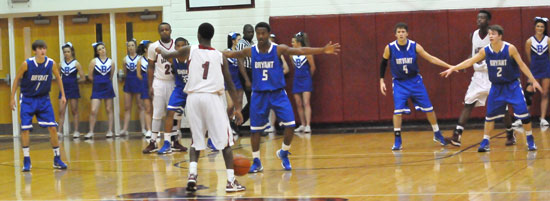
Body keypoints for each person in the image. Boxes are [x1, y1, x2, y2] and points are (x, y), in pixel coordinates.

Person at [223, 22, 340, 172]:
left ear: (268, 33)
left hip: (277, 93)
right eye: (258, 33)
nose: (260, 36)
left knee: (290, 125)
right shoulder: (251, 51)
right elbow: (231, 54)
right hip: (259, 94)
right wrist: (213, 52)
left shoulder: (278, 49)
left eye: (263, 33)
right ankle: (257, 161)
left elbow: (301, 50)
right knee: (255, 131)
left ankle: (284, 152)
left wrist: (322, 50)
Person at [158, 22, 245, 192]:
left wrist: (160, 51)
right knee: (226, 142)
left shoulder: (190, 50)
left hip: (193, 99)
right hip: (212, 98)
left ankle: (192, 175)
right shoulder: (220, 56)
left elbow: (169, 54)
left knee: (196, 141)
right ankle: (230, 181)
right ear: (211, 36)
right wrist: (237, 108)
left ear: (198, 35)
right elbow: (230, 84)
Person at [441, 25, 542, 152]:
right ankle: (485, 141)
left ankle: (530, 139)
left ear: (500, 36)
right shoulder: (486, 50)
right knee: (489, 116)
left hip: (512, 86)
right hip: (496, 87)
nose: (490, 36)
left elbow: (522, 65)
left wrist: (533, 80)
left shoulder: (510, 49)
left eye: (493, 34)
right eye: (489, 34)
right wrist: (453, 68)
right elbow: (470, 61)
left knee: (524, 115)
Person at [446, 10, 516, 147]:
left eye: (483, 18)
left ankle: (510, 133)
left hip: (492, 75)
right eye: (478, 18)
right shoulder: (473, 35)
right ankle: (457, 135)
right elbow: (474, 54)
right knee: (468, 103)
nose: (479, 20)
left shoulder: (493, 36)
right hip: (478, 76)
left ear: (489, 21)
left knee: (502, 107)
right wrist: (466, 64)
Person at [379, 22, 450, 150]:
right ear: (395, 34)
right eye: (398, 32)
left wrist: (450, 66)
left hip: (415, 81)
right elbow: (383, 63)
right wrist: (381, 81)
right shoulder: (389, 48)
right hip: (400, 83)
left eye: (403, 31)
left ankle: (437, 133)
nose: (401, 34)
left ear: (407, 33)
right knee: (398, 111)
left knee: (429, 109)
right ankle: (397, 139)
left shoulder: (414, 46)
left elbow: (431, 58)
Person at [10, 40, 68, 171]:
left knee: (53, 128)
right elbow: (17, 79)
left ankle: (57, 158)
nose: (43, 51)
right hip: (28, 99)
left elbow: (58, 78)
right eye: (40, 48)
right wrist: (12, 97)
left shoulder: (51, 63)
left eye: (44, 48)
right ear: (35, 50)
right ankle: (26, 160)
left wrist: (63, 95)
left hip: (43, 99)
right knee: (25, 129)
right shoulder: (27, 64)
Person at [142, 22, 178, 154]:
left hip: (173, 82)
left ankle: (175, 140)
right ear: (159, 32)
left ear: (170, 30)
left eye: (166, 29)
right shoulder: (153, 47)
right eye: (161, 30)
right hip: (159, 81)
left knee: (174, 113)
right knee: (157, 113)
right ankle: (153, 141)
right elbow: (150, 67)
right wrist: (150, 85)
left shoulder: (176, 45)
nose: (164, 31)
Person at [162, 37, 189, 153]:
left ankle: (208, 140)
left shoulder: (192, 59)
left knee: (198, 116)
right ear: (175, 48)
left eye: (183, 45)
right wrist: (159, 49)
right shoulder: (173, 59)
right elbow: (165, 55)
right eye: (178, 46)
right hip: (179, 90)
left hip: (192, 90)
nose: (180, 48)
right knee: (170, 112)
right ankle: (167, 142)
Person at [85, 42, 116, 139]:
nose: (102, 50)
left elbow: (111, 76)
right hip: (97, 88)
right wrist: (98, 81)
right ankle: (90, 131)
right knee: (93, 110)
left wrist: (105, 81)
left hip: (108, 87)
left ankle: (110, 130)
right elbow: (90, 76)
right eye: (100, 49)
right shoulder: (93, 61)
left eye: (103, 48)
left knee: (108, 109)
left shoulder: (111, 62)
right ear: (97, 52)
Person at [524, 16, 550, 127]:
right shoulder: (529, 41)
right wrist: (533, 68)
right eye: (538, 26)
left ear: (545, 28)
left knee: (545, 93)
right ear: (535, 27)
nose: (540, 28)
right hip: (534, 69)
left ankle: (542, 118)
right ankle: (523, 118)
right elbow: (529, 57)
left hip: (546, 68)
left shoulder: (548, 40)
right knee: (528, 93)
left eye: (542, 26)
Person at [58, 42, 85, 139]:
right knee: (61, 110)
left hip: (73, 89)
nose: (66, 54)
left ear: (72, 52)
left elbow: (83, 78)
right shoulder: (61, 64)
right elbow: (58, 76)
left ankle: (76, 131)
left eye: (68, 51)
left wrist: (75, 81)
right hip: (63, 90)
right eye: (65, 52)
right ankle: (59, 132)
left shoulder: (76, 63)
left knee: (74, 110)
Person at [265, 33, 289, 134]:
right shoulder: (262, 54)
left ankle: (282, 123)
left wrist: (276, 75)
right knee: (267, 105)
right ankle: (269, 124)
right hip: (266, 84)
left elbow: (286, 69)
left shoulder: (279, 53)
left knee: (278, 105)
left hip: (277, 84)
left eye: (273, 40)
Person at [291, 32, 315, 133]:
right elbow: (294, 66)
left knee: (306, 102)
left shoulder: (307, 52)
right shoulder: (291, 53)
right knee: (298, 103)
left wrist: (308, 77)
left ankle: (308, 125)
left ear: (298, 42)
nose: (291, 44)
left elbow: (313, 67)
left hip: (306, 79)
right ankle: (302, 124)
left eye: (293, 42)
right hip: (297, 79)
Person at [120, 39, 145, 136]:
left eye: (132, 45)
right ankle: (125, 129)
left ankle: (143, 128)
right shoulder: (125, 59)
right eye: (129, 46)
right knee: (127, 107)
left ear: (135, 46)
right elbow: (125, 72)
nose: (130, 48)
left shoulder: (140, 58)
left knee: (140, 106)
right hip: (129, 83)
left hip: (138, 82)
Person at [236, 24, 255, 133]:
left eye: (252, 32)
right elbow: (240, 62)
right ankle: (238, 122)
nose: (251, 34)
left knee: (254, 101)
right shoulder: (241, 44)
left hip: (252, 73)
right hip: (245, 73)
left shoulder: (252, 43)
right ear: (244, 32)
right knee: (252, 101)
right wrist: (246, 79)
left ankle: (237, 123)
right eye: (248, 32)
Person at [137, 40, 153, 137]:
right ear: (146, 49)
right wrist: (146, 80)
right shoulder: (140, 60)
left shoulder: (155, 59)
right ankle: (149, 129)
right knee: (147, 108)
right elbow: (138, 75)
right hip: (145, 85)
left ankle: (155, 130)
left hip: (155, 84)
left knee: (155, 109)